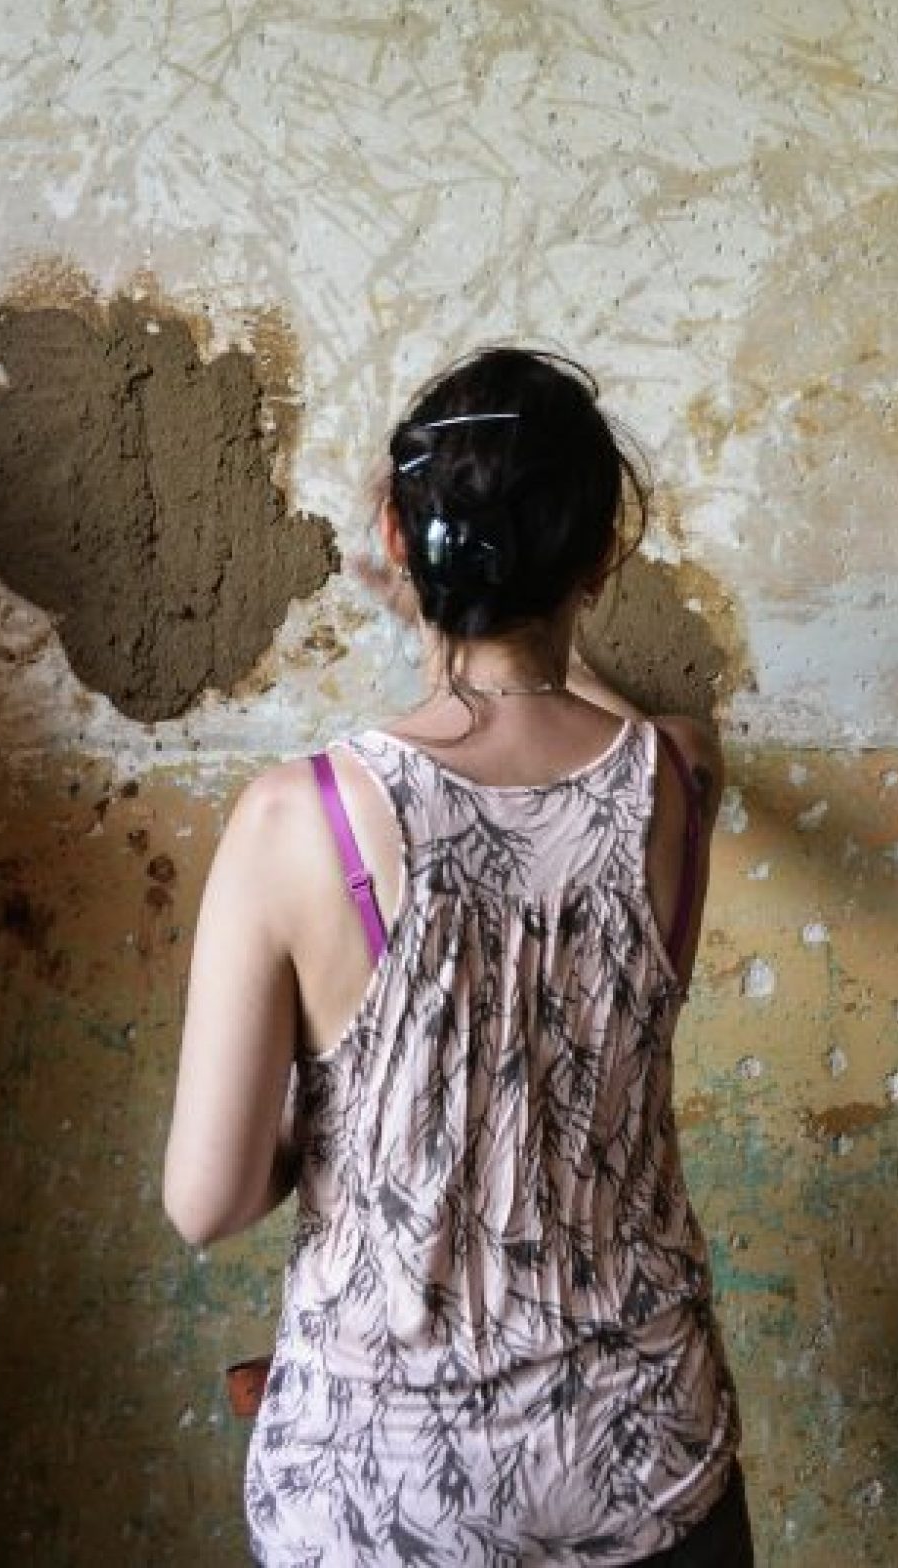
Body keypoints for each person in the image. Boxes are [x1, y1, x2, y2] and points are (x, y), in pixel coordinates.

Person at [163, 346, 749, 1565]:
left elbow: (205, 1201)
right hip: (642, 1459)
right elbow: (602, 738)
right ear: (602, 557)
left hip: (380, 1491)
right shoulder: (679, 779)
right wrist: (489, 625)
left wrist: (329, 1117)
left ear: (396, 532)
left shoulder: (296, 816)